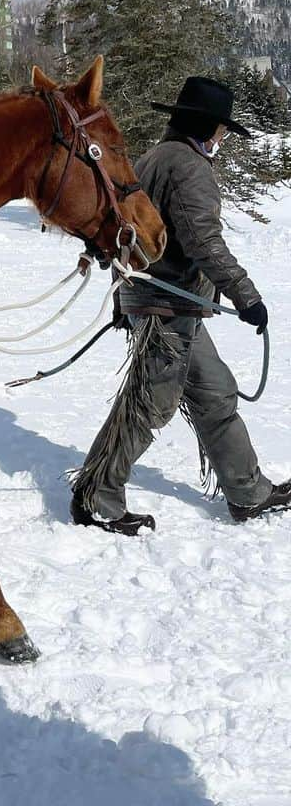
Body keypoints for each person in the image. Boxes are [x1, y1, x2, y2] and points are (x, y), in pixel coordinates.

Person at [70, 75, 290, 535]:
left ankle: (248, 492)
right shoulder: (189, 167)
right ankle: (97, 496)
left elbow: (123, 232)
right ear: (208, 127)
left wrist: (121, 299)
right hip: (167, 308)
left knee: (215, 394)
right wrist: (246, 296)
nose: (223, 138)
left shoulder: (150, 159)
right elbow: (204, 243)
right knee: (149, 404)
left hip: (159, 303)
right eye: (222, 130)